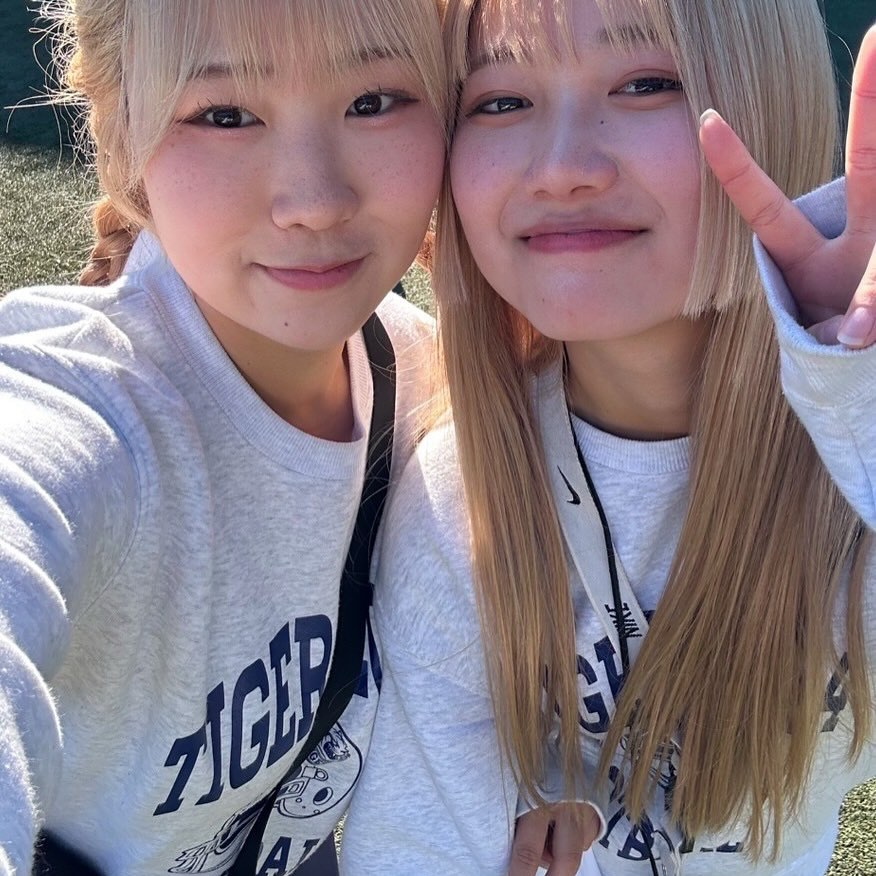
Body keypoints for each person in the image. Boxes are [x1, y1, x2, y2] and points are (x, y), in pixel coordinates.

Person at [339, 0, 876, 873]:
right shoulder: (457, 495)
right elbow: (417, 842)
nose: (561, 169)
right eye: (501, 100)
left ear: (770, 103)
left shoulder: (852, 465)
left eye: (647, 84)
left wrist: (858, 408)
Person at [0, 0, 448, 873]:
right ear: (123, 137)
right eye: (225, 114)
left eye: (374, 101)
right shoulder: (82, 410)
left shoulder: (426, 380)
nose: (314, 202)